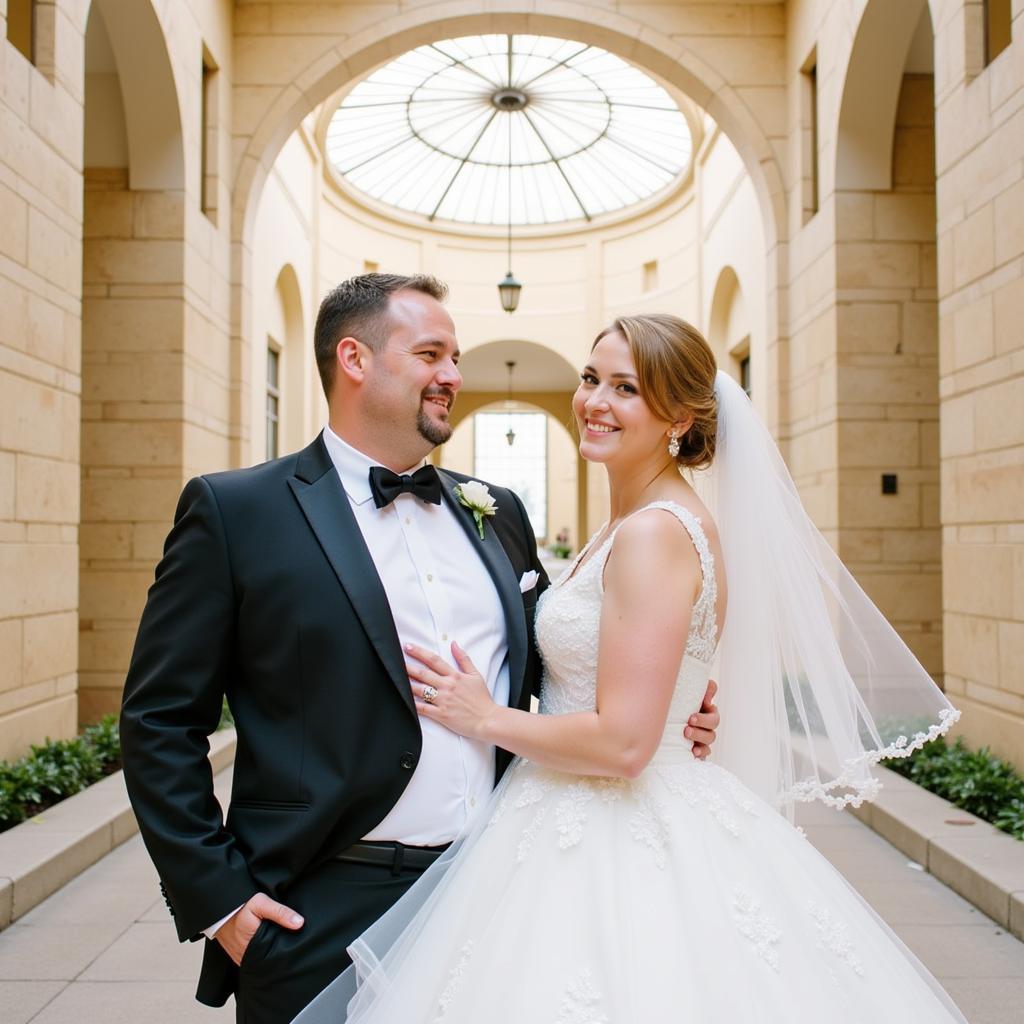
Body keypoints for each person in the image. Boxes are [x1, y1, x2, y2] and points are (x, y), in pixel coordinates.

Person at [293, 314, 966, 1023]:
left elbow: (624, 744)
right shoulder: (641, 521)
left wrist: (485, 716)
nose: (594, 401)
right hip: (568, 805)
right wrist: (686, 708)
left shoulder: (652, 533)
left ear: (677, 416)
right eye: (590, 379)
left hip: (614, 826)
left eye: (626, 389)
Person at [118, 276, 721, 1024]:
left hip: (502, 889)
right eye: (432, 354)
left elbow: (573, 660)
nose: (453, 377)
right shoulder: (237, 512)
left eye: (457, 358)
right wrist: (223, 902)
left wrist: (674, 707)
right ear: (355, 359)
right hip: (318, 909)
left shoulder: (497, 512)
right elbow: (158, 722)